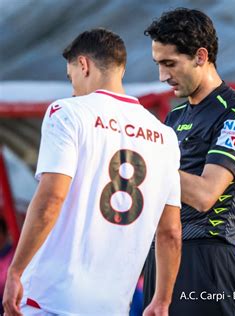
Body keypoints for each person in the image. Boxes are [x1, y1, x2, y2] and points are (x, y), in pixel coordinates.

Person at [2, 28, 182, 316]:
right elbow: (171, 232)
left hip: (49, 300)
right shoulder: (165, 137)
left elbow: (50, 200)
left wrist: (16, 270)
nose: (72, 88)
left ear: (83, 65)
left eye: (71, 75)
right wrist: (162, 300)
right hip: (111, 307)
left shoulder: (68, 112)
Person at [143, 8, 235, 315]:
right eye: (158, 64)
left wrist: (145, 162)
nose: (162, 76)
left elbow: (205, 194)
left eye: (170, 63)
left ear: (200, 55)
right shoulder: (174, 117)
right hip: (162, 255)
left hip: (206, 259)